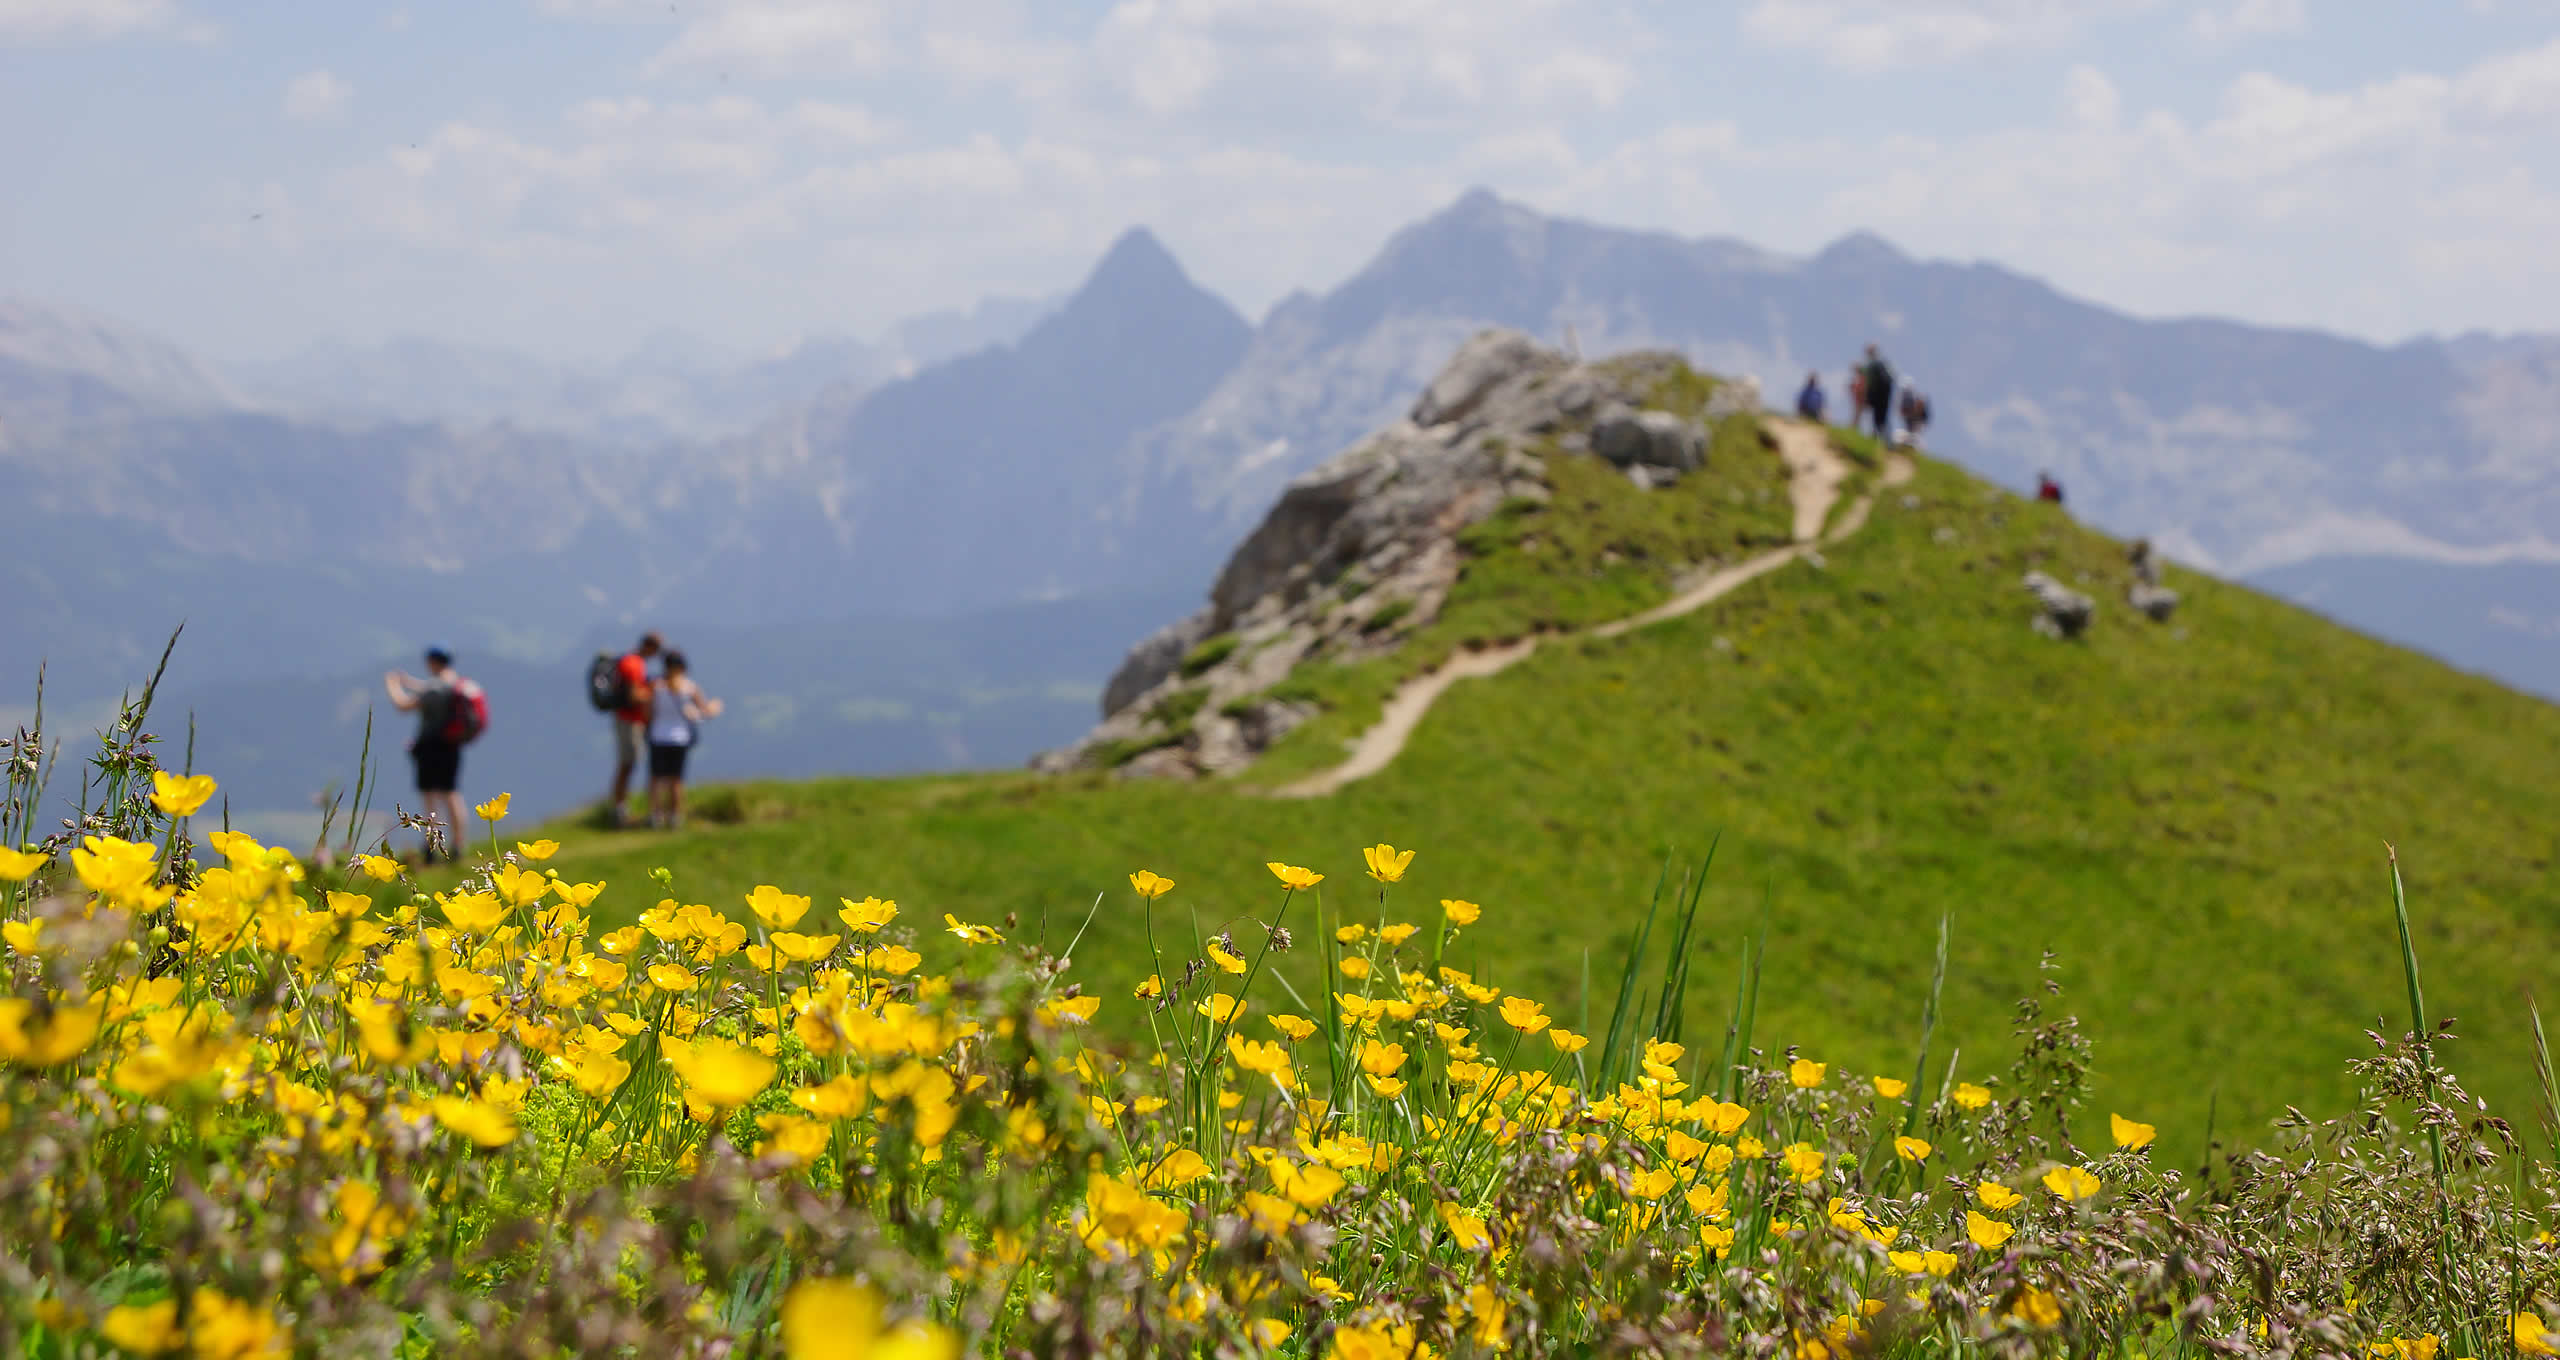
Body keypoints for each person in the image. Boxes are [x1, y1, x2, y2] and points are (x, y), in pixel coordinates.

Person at [384, 644, 480, 862]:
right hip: (452, 746)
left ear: (432, 662)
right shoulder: (456, 683)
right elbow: (428, 688)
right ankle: (458, 845)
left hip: (430, 748)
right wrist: (409, 682)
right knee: (452, 794)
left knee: (430, 797)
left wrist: (392, 684)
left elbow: (403, 705)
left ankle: (431, 847)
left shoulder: (433, 689)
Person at [645, 650, 723, 831]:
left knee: (656, 780)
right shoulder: (690, 687)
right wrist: (715, 707)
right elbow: (704, 711)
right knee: (676, 780)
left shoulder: (655, 686)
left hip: (658, 737)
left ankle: (656, 816)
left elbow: (648, 713)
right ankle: (675, 817)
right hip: (680, 738)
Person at [606, 632, 663, 826]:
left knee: (628, 763)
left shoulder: (632, 661)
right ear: (650, 647)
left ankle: (621, 808)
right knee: (627, 764)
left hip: (627, 720)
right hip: (628, 721)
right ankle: (620, 810)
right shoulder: (633, 664)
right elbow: (634, 696)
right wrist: (654, 691)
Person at [1858, 344, 1896, 442]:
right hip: (1886, 395)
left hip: (1877, 395)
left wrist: (1866, 396)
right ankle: (1887, 441)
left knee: (1876, 418)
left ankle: (1877, 439)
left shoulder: (1871, 365)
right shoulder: (1883, 363)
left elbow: (1868, 382)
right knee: (1883, 418)